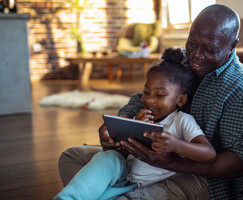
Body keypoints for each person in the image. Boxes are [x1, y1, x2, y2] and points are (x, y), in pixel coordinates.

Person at [58, 4, 243, 199]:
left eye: (209, 49)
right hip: (142, 163)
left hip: (198, 177)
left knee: (93, 184)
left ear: (233, 45)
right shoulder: (180, 59)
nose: (196, 55)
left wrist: (175, 162)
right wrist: (119, 126)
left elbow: (241, 163)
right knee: (71, 157)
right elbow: (139, 98)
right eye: (192, 43)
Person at [55, 48, 216, 200]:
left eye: (160, 95)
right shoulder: (140, 118)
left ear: (181, 100)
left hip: (144, 186)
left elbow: (209, 153)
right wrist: (126, 134)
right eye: (146, 92)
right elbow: (125, 155)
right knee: (107, 157)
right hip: (123, 177)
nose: (149, 100)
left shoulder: (181, 121)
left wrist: (176, 145)